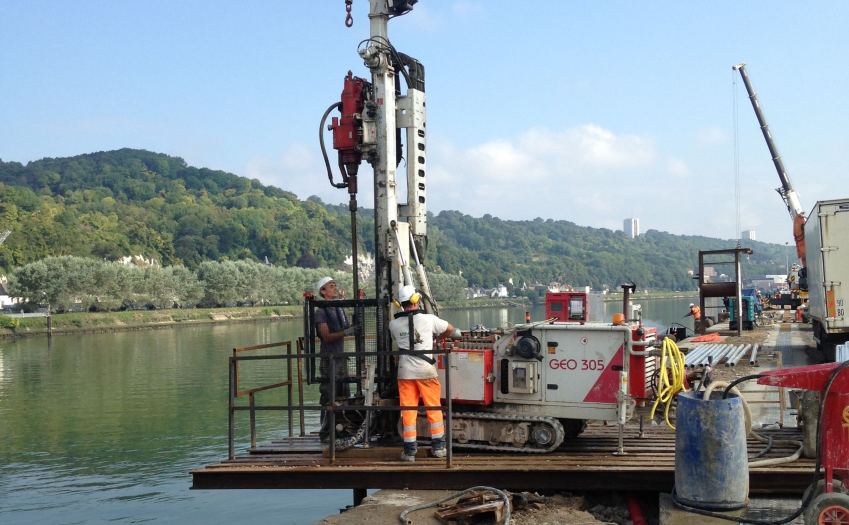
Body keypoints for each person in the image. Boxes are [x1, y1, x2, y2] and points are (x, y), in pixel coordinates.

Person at [388, 285, 455, 462]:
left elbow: (397, 339)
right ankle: (439, 448)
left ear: (399, 303)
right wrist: (437, 339)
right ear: (416, 300)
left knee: (408, 410)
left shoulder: (393, 324)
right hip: (426, 371)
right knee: (433, 407)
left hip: (405, 373)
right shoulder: (429, 319)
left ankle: (409, 451)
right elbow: (450, 329)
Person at [314, 276, 356, 442]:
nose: (335, 288)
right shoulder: (321, 312)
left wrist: (354, 326)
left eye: (335, 286)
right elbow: (326, 336)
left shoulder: (338, 309)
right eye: (331, 286)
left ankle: (341, 428)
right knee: (329, 395)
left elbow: (346, 326)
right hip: (328, 359)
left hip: (340, 357)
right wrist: (346, 332)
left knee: (343, 394)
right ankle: (326, 431)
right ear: (323, 291)